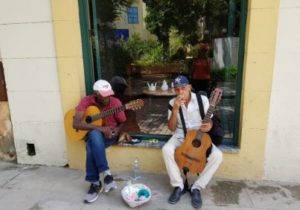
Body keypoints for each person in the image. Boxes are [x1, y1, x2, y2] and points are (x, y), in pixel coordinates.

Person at [162, 75, 223, 209]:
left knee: (217, 156)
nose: (180, 92)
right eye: (177, 89)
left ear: (189, 87)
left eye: (183, 88)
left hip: (199, 137)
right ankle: (178, 185)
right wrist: (175, 110)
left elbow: (210, 120)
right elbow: (171, 128)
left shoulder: (202, 100)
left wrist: (209, 125)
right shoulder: (172, 103)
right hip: (180, 135)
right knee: (166, 150)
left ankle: (197, 187)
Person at [73, 79, 127, 203]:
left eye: (109, 93)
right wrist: (100, 128)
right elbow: (75, 123)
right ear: (96, 93)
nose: (108, 97)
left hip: (109, 136)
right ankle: (106, 174)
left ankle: (95, 183)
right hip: (93, 134)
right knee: (94, 134)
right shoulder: (87, 101)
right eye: (104, 94)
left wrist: (117, 131)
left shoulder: (115, 103)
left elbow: (122, 122)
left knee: (91, 145)